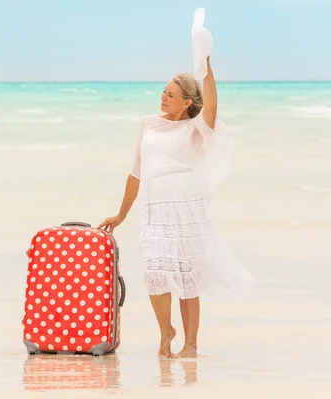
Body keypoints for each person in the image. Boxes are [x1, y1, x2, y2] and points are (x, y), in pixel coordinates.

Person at [97, 56, 255, 359]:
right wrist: (121, 214)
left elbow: (211, 104)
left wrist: (206, 67)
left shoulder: (196, 128)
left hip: (186, 206)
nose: (163, 97)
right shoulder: (147, 124)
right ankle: (166, 331)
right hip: (152, 206)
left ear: (185, 103)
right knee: (155, 272)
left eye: (170, 94)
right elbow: (135, 171)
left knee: (186, 276)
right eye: (164, 91)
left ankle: (191, 344)